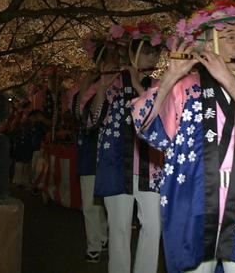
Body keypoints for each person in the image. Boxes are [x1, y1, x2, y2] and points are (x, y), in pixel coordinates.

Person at [131, 0, 235, 273]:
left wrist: (227, 79)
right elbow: (145, 124)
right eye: (229, 37)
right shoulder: (184, 88)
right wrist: (170, 76)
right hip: (194, 200)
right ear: (208, 44)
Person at [92, 22, 165, 273]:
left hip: (151, 166)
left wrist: (137, 87)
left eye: (155, 53)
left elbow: (161, 119)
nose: (152, 57)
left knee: (153, 227)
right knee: (120, 229)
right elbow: (92, 121)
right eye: (147, 52)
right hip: (116, 164)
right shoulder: (112, 81)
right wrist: (100, 88)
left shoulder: (159, 85)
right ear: (133, 52)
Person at [69, 34, 117, 263]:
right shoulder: (86, 86)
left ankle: (104, 237)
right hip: (90, 149)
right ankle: (94, 245)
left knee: (108, 200)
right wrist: (89, 84)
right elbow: (79, 114)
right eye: (108, 58)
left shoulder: (122, 83)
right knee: (90, 202)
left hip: (113, 151)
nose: (113, 63)